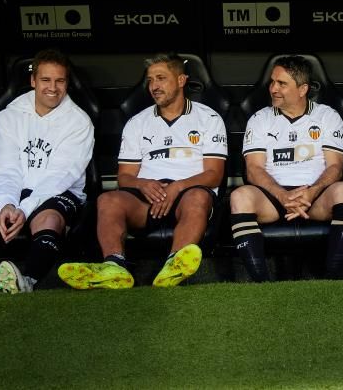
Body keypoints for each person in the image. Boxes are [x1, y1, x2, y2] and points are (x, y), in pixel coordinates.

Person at [58, 54, 227, 289]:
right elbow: (125, 176)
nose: (154, 86)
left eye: (161, 78)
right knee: (108, 199)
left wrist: (177, 186)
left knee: (198, 196)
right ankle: (114, 267)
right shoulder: (137, 123)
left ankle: (174, 266)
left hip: (188, 194)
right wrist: (143, 184)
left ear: (181, 80)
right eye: (150, 80)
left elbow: (214, 174)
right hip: (148, 197)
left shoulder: (209, 118)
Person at [0, 50, 94, 294]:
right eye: (45, 80)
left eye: (60, 81)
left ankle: (27, 282)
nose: (52, 88)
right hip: (13, 188)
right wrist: (8, 204)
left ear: (67, 82)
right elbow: (5, 167)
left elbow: (59, 176)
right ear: (33, 81)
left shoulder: (79, 121)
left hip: (58, 191)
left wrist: (24, 209)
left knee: (49, 220)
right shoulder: (10, 114)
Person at [230, 56, 343, 282]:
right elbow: (253, 169)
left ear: (303, 89)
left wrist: (311, 191)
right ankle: (261, 284)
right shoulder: (259, 119)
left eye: (282, 84)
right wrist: (283, 195)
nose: (273, 89)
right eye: (272, 82)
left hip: (314, 197)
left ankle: (333, 281)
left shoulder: (327, 116)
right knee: (240, 196)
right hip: (273, 197)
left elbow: (336, 167)